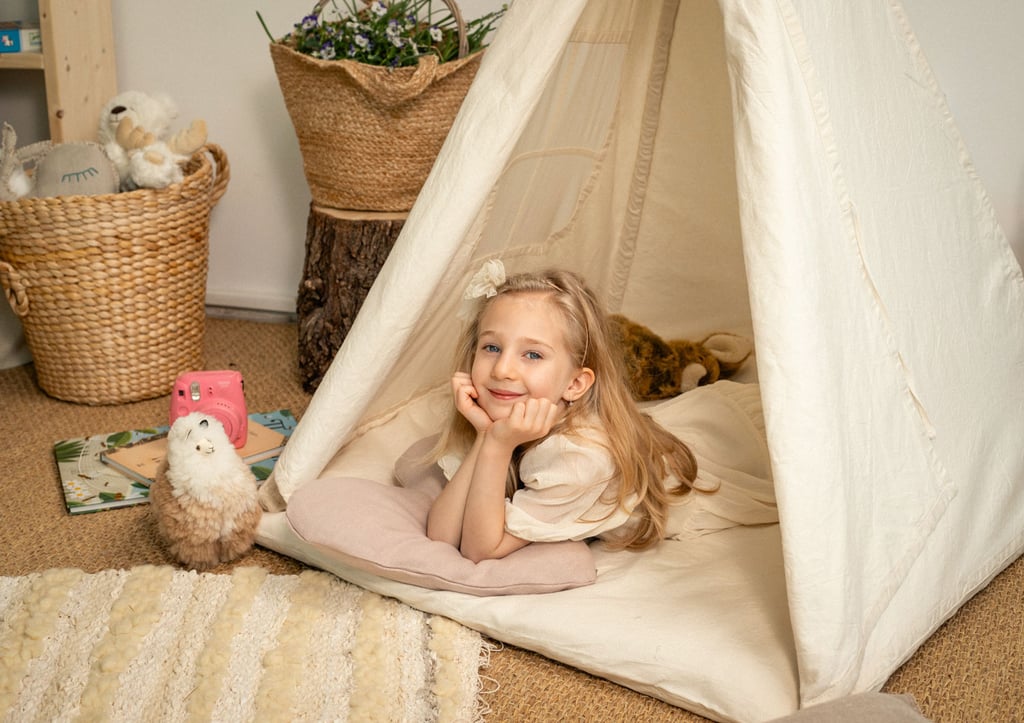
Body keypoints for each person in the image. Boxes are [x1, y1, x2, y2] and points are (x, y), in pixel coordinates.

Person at [426, 260, 719, 562]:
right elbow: (441, 536)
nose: (502, 369)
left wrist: (497, 446)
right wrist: (485, 435)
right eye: (491, 348)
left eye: (532, 354)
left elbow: (479, 550)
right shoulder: (509, 422)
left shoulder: (576, 458)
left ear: (575, 383)